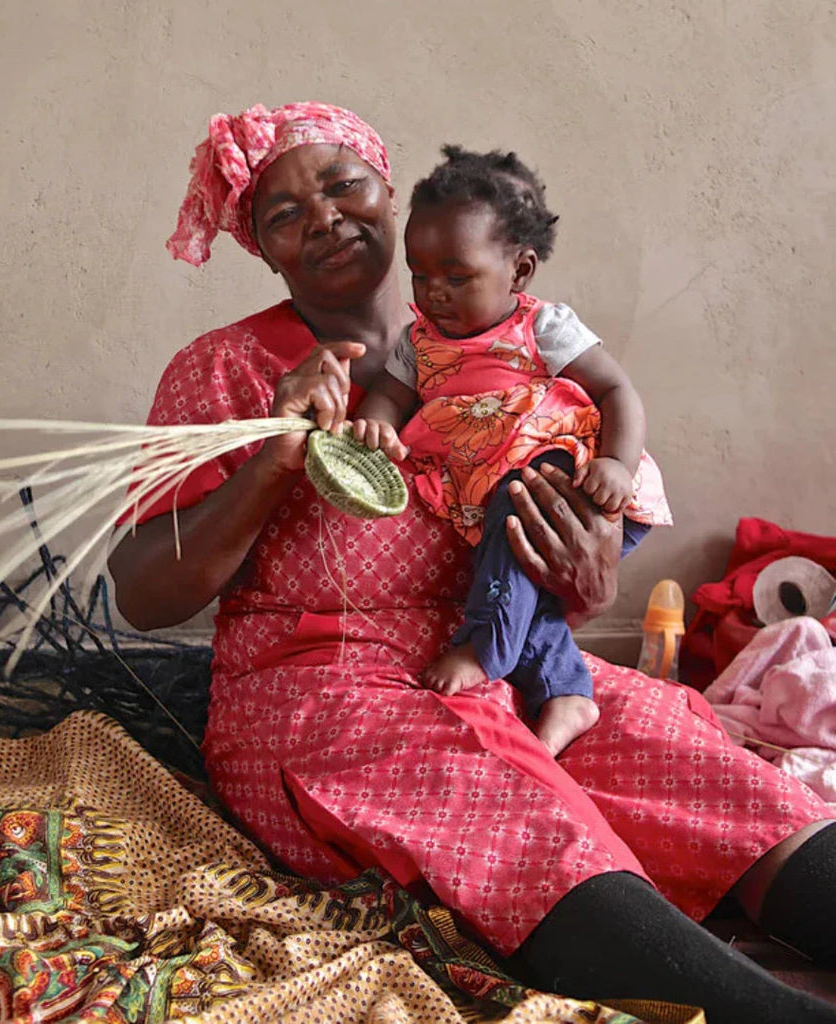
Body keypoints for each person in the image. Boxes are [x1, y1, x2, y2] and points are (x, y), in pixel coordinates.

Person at [109, 102, 836, 1023]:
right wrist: (280, 448)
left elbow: (588, 523)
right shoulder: (222, 372)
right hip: (319, 688)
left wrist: (585, 576)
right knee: (495, 798)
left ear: (389, 191)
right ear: (260, 247)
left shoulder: (510, 338)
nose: (325, 218)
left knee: (688, 759)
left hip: (499, 655)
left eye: (343, 185)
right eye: (285, 212)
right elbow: (142, 594)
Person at [348, 144, 672, 758]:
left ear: (519, 272)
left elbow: (617, 390)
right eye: (419, 273)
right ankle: (567, 692)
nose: (433, 291)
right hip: (496, 495)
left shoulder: (541, 327)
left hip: (567, 479)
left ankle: (485, 646)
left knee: (517, 513)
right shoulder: (420, 342)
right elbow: (388, 396)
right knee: (523, 579)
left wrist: (616, 466)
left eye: (457, 275)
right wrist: (376, 428)